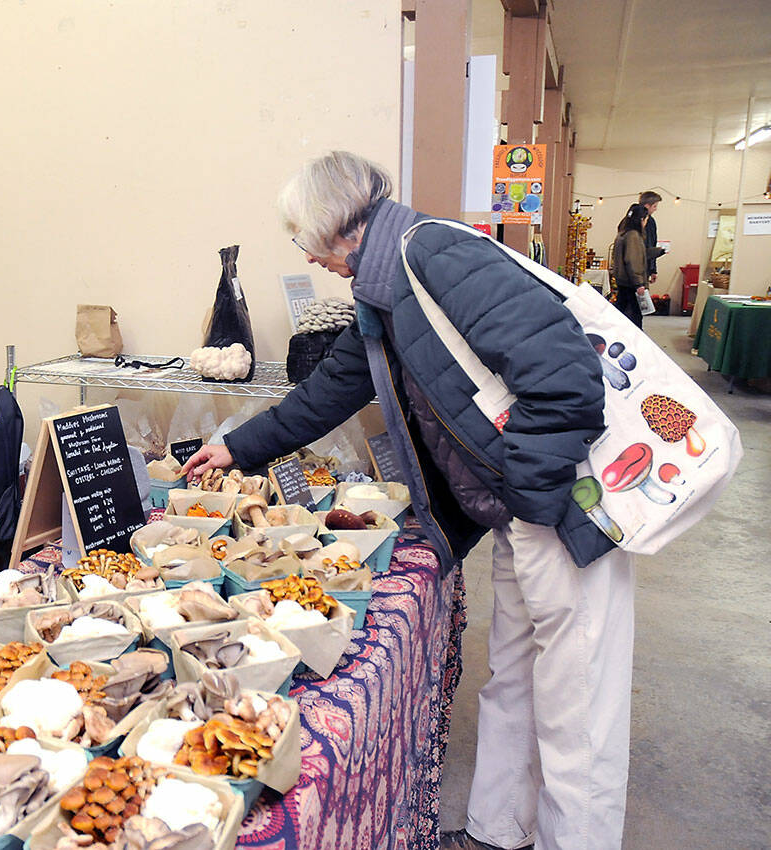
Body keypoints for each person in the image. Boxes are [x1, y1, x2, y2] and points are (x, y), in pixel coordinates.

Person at [182, 151, 634, 850]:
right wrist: (240, 448)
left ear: (338, 227)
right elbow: (333, 388)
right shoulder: (381, 282)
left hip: (563, 516)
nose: (306, 254)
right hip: (519, 512)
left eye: (303, 236)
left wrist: (532, 492)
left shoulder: (440, 255)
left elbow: (567, 379)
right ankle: (497, 831)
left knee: (578, 712)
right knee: (513, 679)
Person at [612, 204, 650, 328]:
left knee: (621, 311)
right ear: (640, 219)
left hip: (622, 281)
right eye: (646, 219)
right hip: (631, 283)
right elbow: (632, 260)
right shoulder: (633, 236)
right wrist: (639, 283)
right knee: (634, 316)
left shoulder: (622, 233)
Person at [638, 190, 666, 285]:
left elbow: (652, 244)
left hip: (643, 267)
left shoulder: (651, 221)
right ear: (647, 206)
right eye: (654, 206)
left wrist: (653, 269)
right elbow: (650, 247)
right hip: (639, 267)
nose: (656, 209)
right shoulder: (644, 221)